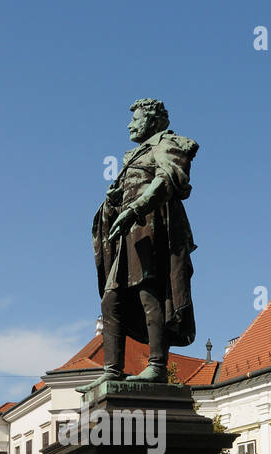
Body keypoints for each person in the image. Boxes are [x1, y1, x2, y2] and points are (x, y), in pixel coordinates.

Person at [79, 98, 199, 392]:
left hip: (153, 227)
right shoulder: (133, 155)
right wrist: (114, 201)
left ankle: (157, 367)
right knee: (111, 298)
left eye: (136, 119)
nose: (130, 125)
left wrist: (134, 209)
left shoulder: (170, 143)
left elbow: (167, 179)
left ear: (154, 120)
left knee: (150, 292)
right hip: (129, 230)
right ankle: (112, 370)